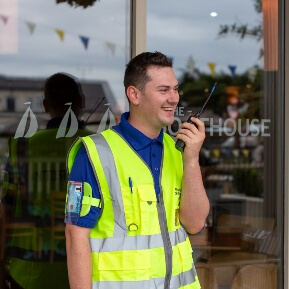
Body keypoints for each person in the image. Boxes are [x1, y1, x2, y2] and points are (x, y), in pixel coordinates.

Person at [65, 51, 210, 289]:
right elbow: (76, 236)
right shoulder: (95, 153)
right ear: (134, 94)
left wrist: (192, 160)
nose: (174, 98)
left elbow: (195, 224)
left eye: (176, 89)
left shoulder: (179, 152)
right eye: (164, 90)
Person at [2, 73, 92, 289]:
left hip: (30, 275)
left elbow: (6, 212)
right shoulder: (98, 147)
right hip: (85, 272)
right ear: (81, 103)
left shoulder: (23, 149)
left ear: (45, 105)